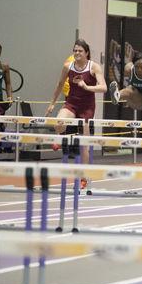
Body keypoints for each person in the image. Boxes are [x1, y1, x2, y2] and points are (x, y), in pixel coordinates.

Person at [45, 39, 107, 187]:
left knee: (84, 144)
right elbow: (60, 85)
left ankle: (83, 178)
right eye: (75, 50)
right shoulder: (68, 66)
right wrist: (52, 104)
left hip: (87, 107)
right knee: (59, 123)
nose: (77, 53)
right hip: (71, 103)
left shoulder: (94, 67)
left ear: (86, 53)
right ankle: (61, 137)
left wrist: (87, 87)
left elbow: (103, 87)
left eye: (80, 51)